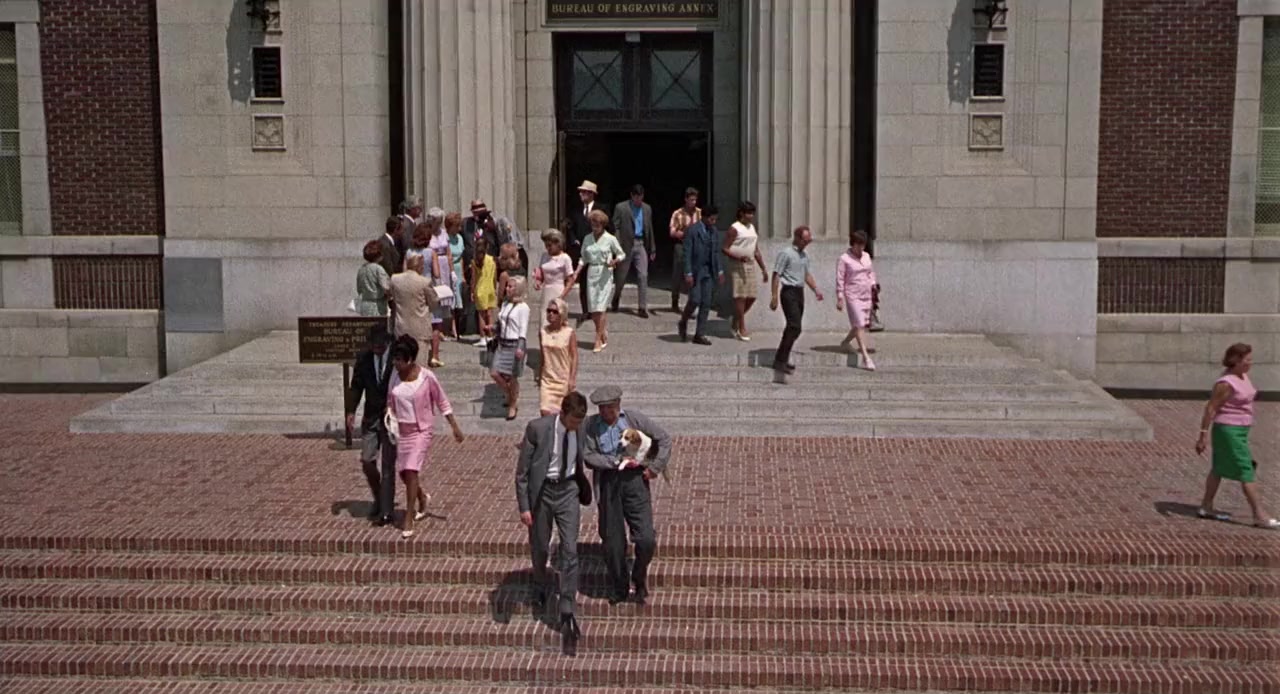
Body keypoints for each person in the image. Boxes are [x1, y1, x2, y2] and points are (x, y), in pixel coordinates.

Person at [515, 391, 593, 656]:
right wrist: (525, 507)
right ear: (563, 413)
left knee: (570, 548)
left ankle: (567, 607)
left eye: (579, 422)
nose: (576, 426)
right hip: (543, 493)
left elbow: (585, 456)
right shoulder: (538, 429)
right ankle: (539, 583)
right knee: (540, 545)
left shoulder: (580, 429)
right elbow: (522, 473)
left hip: (568, 490)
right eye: (573, 421)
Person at [582, 385, 672, 606]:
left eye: (609, 407)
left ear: (618, 405)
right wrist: (612, 462)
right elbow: (588, 455)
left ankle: (639, 577)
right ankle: (619, 586)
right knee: (613, 542)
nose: (605, 412)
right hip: (609, 482)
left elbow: (664, 439)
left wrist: (654, 468)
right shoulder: (591, 426)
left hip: (635, 481)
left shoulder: (634, 419)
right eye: (602, 408)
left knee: (645, 538)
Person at [387, 334, 464, 539]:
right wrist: (389, 416)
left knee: (412, 469)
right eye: (394, 359)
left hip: (421, 430)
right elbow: (390, 400)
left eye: (399, 360)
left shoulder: (427, 377)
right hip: (402, 431)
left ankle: (409, 516)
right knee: (404, 474)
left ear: (410, 360)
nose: (396, 364)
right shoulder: (394, 376)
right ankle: (421, 497)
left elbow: (442, 400)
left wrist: (454, 426)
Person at [1195, 343, 1278, 529]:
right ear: (1235, 360)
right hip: (1228, 430)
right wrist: (1203, 435)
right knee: (1245, 470)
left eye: (1250, 359)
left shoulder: (1243, 377)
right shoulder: (1226, 383)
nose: (1250, 363)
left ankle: (1206, 506)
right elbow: (1211, 408)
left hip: (1241, 430)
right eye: (1247, 360)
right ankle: (1259, 514)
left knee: (1218, 467)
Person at [344, 325, 396, 526]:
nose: (378, 350)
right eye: (374, 346)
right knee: (367, 460)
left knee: (388, 465)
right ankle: (379, 495)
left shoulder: (396, 357)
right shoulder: (364, 359)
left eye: (381, 346)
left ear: (387, 343)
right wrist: (351, 410)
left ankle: (386, 510)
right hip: (372, 416)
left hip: (391, 417)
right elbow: (356, 386)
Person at [769, 226, 823, 375]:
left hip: (799, 292)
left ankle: (782, 357)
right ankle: (780, 360)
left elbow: (806, 275)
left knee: (795, 328)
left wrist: (816, 289)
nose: (807, 243)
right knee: (794, 325)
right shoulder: (786, 254)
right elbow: (776, 274)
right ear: (798, 238)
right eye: (805, 240)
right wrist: (774, 296)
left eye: (809, 241)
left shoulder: (804, 256)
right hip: (788, 292)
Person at [579, 209, 625, 353]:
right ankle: (603, 331)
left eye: (597, 225)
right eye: (593, 224)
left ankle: (597, 339)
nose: (595, 227)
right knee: (593, 310)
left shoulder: (610, 239)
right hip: (592, 273)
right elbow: (583, 258)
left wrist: (615, 261)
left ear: (603, 225)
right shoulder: (587, 238)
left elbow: (621, 254)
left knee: (601, 307)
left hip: (605, 274)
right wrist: (576, 272)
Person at [722, 201, 769, 341]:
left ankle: (736, 319)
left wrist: (763, 268)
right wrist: (738, 257)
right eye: (749, 213)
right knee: (740, 296)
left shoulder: (751, 228)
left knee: (752, 296)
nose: (751, 216)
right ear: (741, 213)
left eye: (752, 213)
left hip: (750, 263)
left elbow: (756, 250)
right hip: (737, 265)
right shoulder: (734, 228)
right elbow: (725, 248)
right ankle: (741, 327)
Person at [677, 205, 723, 345]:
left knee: (706, 302)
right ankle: (684, 320)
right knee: (695, 299)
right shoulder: (692, 230)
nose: (713, 222)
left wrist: (720, 270)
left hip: (708, 270)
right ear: (704, 217)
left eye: (715, 219)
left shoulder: (714, 232)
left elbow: (716, 253)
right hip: (696, 270)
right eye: (711, 219)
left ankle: (700, 333)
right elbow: (687, 253)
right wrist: (688, 272)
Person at [610, 184, 656, 317]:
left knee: (643, 275)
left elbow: (650, 228)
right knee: (621, 276)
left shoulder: (647, 208)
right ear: (631, 196)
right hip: (625, 244)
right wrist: (617, 245)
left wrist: (652, 248)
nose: (638, 200)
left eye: (640, 197)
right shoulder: (621, 207)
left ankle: (642, 307)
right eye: (636, 197)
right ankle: (616, 297)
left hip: (641, 243)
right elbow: (616, 226)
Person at [835, 229, 878, 371]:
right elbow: (840, 278)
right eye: (858, 244)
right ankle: (865, 357)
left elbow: (870, 273)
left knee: (861, 324)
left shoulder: (866, 256)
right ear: (852, 244)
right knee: (859, 323)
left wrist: (873, 285)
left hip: (866, 294)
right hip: (852, 294)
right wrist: (840, 297)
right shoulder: (844, 259)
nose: (861, 248)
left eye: (863, 244)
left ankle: (845, 342)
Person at [492, 276, 530, 421]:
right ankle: (510, 394)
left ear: (518, 289)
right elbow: (500, 322)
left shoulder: (523, 307)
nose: (507, 289)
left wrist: (520, 347)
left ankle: (512, 405)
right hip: (502, 343)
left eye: (511, 286)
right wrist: (493, 327)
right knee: (495, 372)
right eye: (507, 286)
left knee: (513, 376)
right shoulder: (505, 303)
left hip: (514, 344)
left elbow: (523, 329)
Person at [389, 254, 437, 366]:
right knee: (419, 364)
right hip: (420, 327)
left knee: (401, 363)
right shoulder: (424, 282)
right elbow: (434, 302)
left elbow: (392, 297)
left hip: (401, 326)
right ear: (420, 266)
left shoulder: (395, 279)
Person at [569, 180, 607, 317]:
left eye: (583, 192)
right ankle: (586, 310)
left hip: (596, 251)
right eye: (580, 192)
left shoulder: (601, 209)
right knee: (584, 282)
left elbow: (609, 228)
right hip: (582, 251)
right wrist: (574, 239)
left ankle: (595, 308)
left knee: (596, 282)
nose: (580, 194)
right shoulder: (576, 210)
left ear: (591, 194)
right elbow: (571, 227)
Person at [538, 298, 578, 416]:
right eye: (549, 311)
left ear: (561, 313)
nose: (551, 314)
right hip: (547, 379)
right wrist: (539, 374)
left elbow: (574, 356)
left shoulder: (569, 333)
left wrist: (572, 378)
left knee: (562, 414)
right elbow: (542, 355)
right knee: (544, 411)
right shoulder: (543, 332)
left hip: (563, 379)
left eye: (555, 311)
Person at [668, 187, 701, 313]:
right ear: (686, 199)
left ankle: (692, 301)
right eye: (691, 200)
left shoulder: (700, 213)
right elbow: (672, 232)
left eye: (695, 200)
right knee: (678, 272)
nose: (693, 202)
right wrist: (684, 234)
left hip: (696, 246)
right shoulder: (678, 214)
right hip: (682, 244)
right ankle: (675, 300)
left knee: (694, 273)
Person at [534, 229, 577, 307]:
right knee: (544, 313)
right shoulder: (544, 256)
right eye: (546, 245)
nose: (547, 248)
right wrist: (538, 282)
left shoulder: (565, 258)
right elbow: (541, 274)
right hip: (546, 291)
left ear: (558, 244)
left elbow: (570, 280)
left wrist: (562, 296)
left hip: (558, 290)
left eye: (550, 245)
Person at [445, 212, 470, 340]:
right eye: (456, 226)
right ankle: (452, 327)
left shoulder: (460, 238)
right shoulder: (445, 238)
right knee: (451, 300)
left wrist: (463, 275)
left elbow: (461, 257)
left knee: (459, 300)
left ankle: (459, 327)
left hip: (459, 269)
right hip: (449, 269)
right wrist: (451, 271)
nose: (459, 228)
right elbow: (447, 256)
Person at [472, 237, 498, 348]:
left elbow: (474, 279)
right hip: (490, 288)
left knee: (481, 315)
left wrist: (472, 291)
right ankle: (490, 336)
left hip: (480, 289)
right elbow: (495, 276)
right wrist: (494, 287)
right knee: (489, 314)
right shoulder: (492, 260)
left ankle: (482, 337)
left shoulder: (475, 261)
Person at [354, 240, 391, 317]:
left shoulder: (362, 269)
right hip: (377, 306)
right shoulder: (378, 269)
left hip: (365, 304)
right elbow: (386, 287)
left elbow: (359, 289)